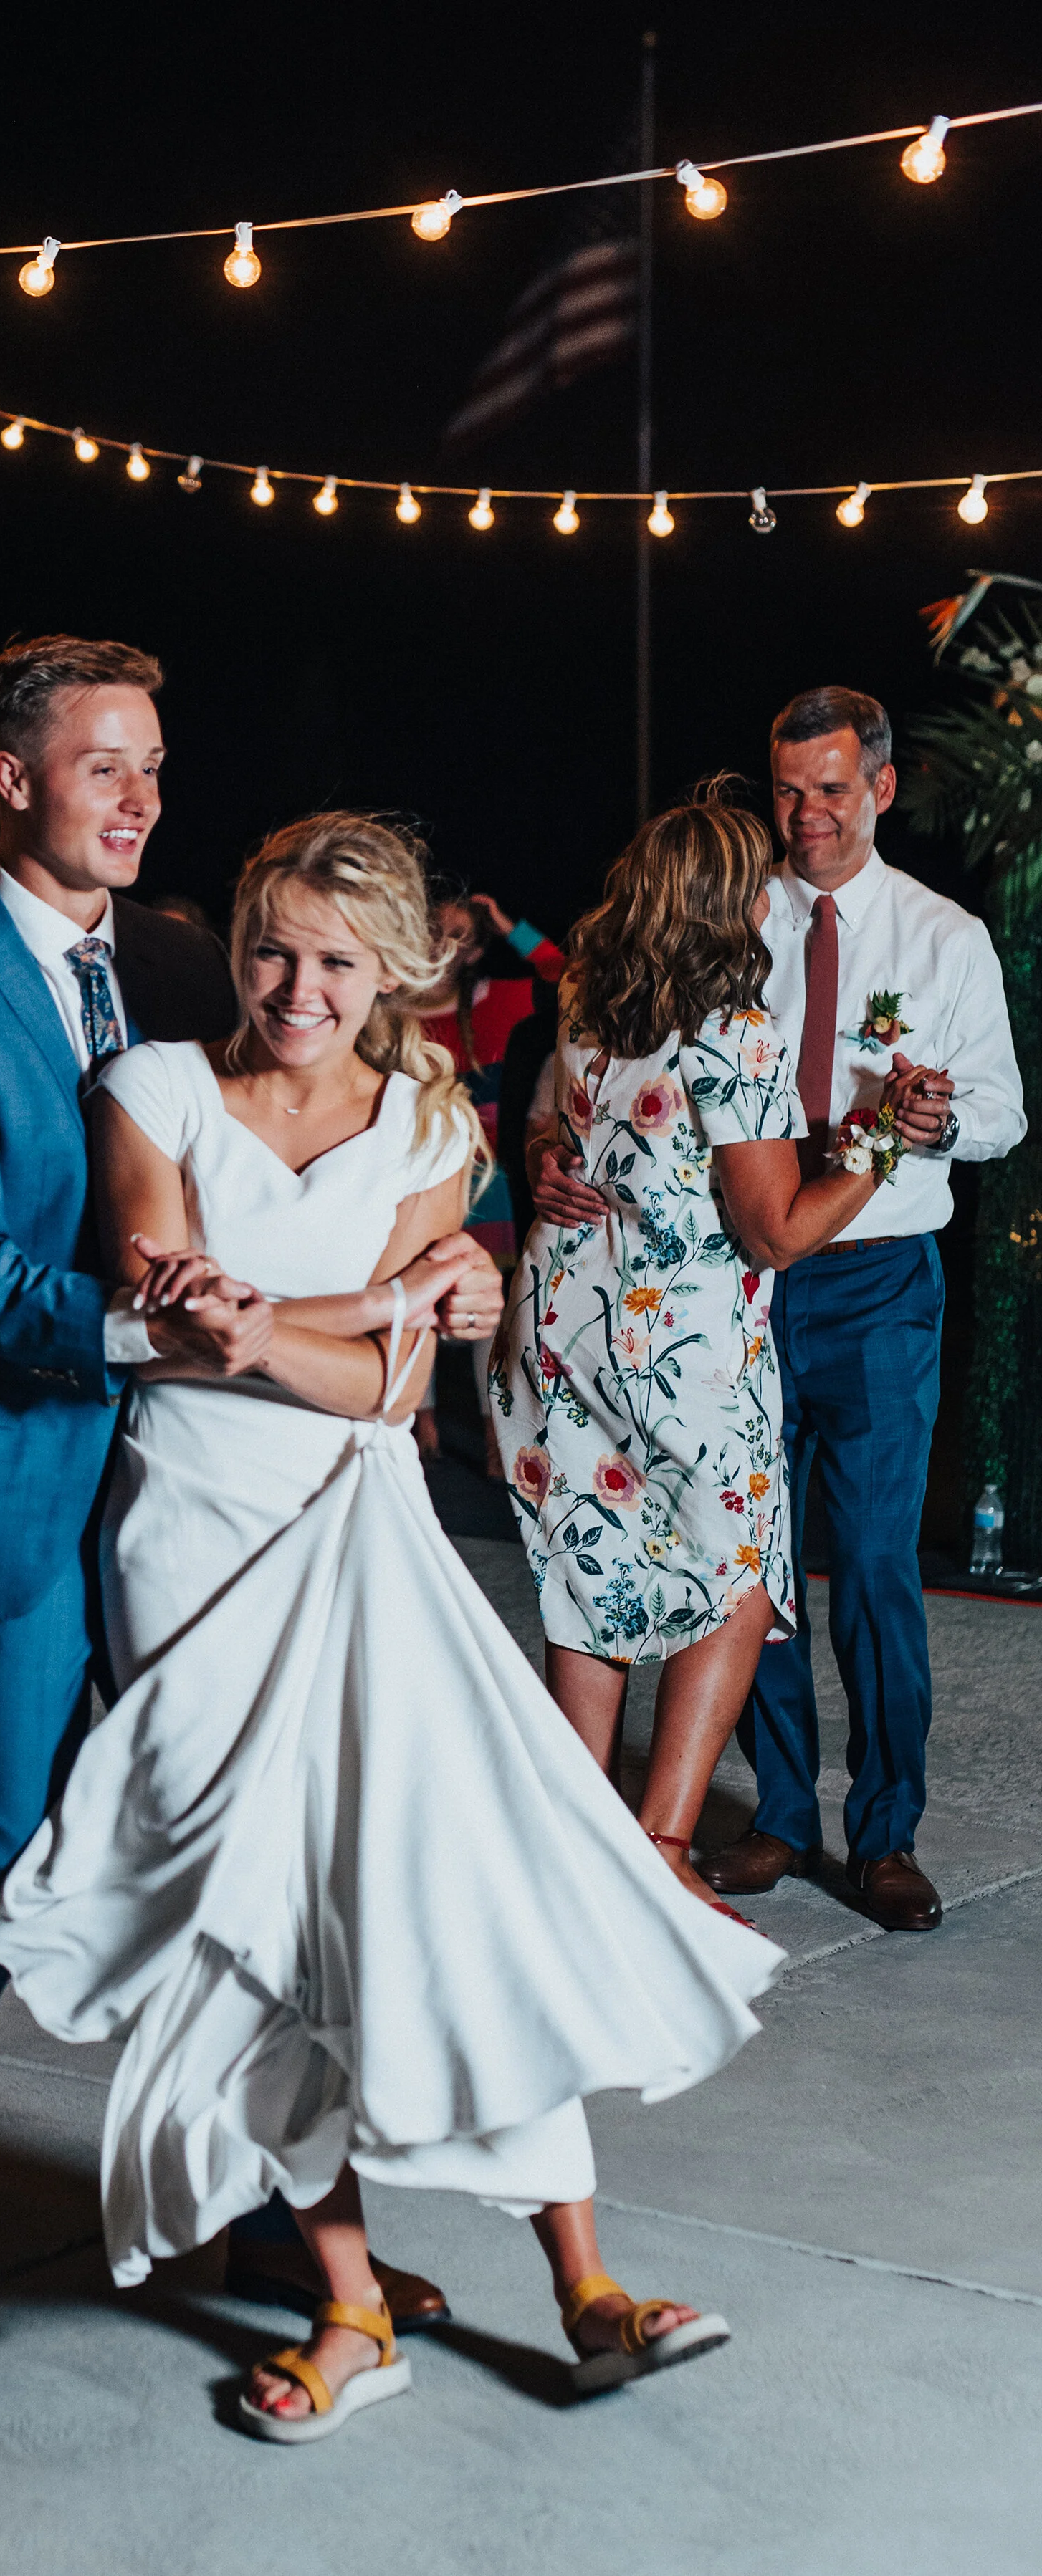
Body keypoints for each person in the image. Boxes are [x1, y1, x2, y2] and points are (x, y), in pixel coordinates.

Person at [0, 638, 490, 2340]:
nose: (140, 796)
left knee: (251, 1849)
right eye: (102, 764)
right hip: (18, 1467)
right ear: (10, 777)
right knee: (5, 1845)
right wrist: (172, 1329)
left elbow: (304, 1138)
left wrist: (448, 1255)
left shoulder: (189, 953)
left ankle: (282, 2222)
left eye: (150, 762)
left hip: (201, 1496)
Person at [0, 812, 783, 2442]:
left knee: (451, 1889)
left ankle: (582, 2280)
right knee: (254, 1923)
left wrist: (283, 1323)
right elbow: (150, 1314)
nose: (295, 984)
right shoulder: (153, 1089)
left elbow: (375, 1389)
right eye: (272, 946)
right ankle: (349, 2303)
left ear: (391, 972)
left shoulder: (428, 1118)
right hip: (189, 1540)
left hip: (360, 1533)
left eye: (335, 959)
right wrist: (358, 1305)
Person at [535, 694, 1026, 1935]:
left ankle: (887, 1834)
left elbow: (1004, 1115)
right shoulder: (728, 919)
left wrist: (930, 1122)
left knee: (863, 1563)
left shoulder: (944, 936)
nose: (806, 816)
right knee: (741, 1563)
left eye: (830, 790)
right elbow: (597, 1090)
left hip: (869, 1277)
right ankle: (780, 1819)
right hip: (731, 1286)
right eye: (788, 792)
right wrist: (547, 1144)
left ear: (883, 789)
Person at [495, 786, 917, 1917]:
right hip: (679, 1347)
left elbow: (551, 1120)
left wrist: (546, 1150)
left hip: (559, 1331)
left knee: (588, 1574)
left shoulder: (589, 998)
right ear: (732, 907)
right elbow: (775, 1228)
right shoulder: (736, 1036)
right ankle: (664, 1846)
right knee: (739, 1582)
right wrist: (876, 1145)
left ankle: (577, 1842)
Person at [414, 889, 565, 1464]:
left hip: (484, 1180)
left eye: (460, 935)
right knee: (415, 1289)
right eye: (435, 929)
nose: (443, 946)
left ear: (478, 948)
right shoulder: (388, 1007)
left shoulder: (500, 1000)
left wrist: (508, 925)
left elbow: (566, 974)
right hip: (415, 1178)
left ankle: (493, 1431)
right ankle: (417, 1418)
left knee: (487, 1302)